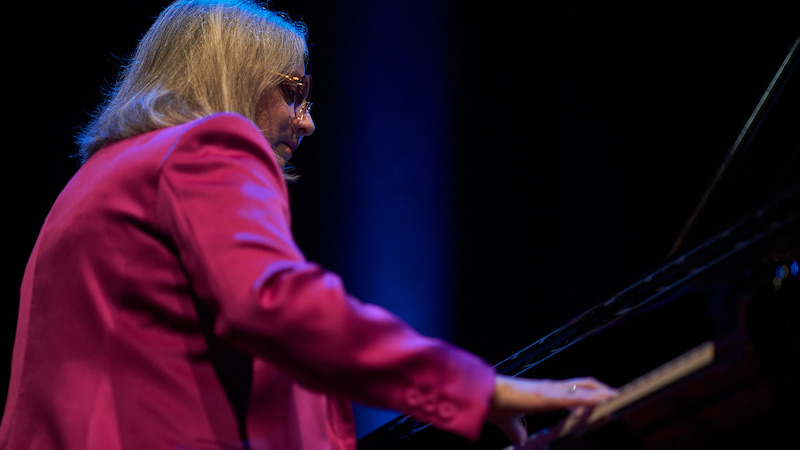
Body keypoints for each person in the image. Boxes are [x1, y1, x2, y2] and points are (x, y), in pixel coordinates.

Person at [0, 1, 616, 449]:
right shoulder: (209, 145)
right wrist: (476, 389)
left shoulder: (93, 182)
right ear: (236, 76)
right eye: (294, 91)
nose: (308, 121)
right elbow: (277, 305)